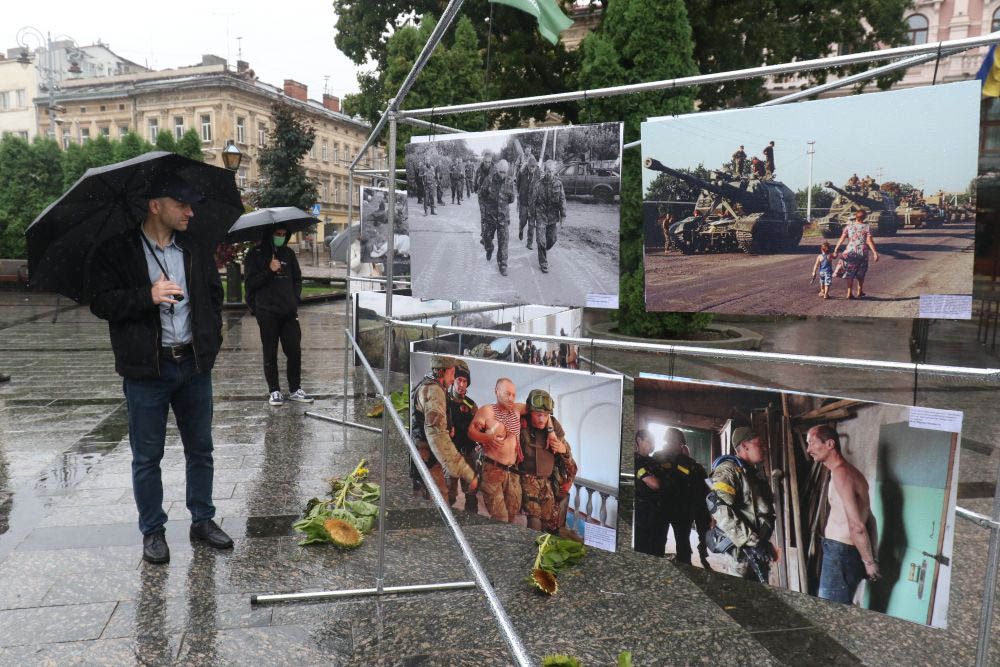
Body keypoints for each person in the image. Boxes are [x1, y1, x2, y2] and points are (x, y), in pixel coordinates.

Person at [89, 174, 232, 564]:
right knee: (147, 456)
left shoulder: (194, 247)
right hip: (146, 371)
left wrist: (210, 343)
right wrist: (146, 296)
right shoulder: (119, 251)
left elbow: (213, 298)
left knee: (200, 449)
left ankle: (202, 519)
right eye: (181, 205)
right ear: (156, 206)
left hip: (193, 366)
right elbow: (101, 302)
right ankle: (153, 530)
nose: (190, 212)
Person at [806, 425, 880, 604]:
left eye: (812, 443)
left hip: (840, 554)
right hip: (844, 553)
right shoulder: (852, 473)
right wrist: (870, 557)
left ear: (830, 444)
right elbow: (871, 519)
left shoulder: (841, 474)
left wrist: (869, 563)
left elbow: (858, 525)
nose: (808, 450)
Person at [244, 225, 312, 407]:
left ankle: (295, 388)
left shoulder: (288, 253)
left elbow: (297, 278)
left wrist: (294, 298)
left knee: (294, 350)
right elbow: (250, 283)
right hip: (267, 312)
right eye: (277, 234)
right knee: (270, 351)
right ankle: (274, 390)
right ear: (269, 234)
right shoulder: (254, 254)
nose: (281, 237)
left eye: (284, 234)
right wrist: (269, 270)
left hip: (288, 311)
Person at [707, 427, 776, 581]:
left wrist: (762, 543)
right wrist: (751, 541)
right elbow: (719, 508)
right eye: (760, 444)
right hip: (741, 553)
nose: (764, 448)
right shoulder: (728, 470)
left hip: (757, 547)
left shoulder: (750, 472)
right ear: (745, 446)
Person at [411, 356, 479, 500]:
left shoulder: (434, 388)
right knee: (442, 501)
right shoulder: (434, 392)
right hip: (428, 456)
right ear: (443, 372)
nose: (455, 379)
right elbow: (439, 437)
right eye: (453, 373)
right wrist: (466, 472)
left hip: (433, 455)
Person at [518, 389, 577, 534]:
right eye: (538, 414)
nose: (542, 419)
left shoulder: (556, 434)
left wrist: (563, 450)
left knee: (546, 521)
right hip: (527, 478)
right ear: (530, 411)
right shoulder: (520, 424)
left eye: (545, 416)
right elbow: (508, 406)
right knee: (534, 518)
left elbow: (572, 466)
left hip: (547, 482)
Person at [468, 378, 523, 522]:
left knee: (512, 515)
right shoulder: (488, 410)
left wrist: (550, 430)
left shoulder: (516, 409)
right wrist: (488, 437)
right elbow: (472, 432)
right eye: (507, 394)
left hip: (512, 471)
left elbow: (537, 409)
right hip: (493, 469)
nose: (511, 398)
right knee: (500, 517)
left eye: (513, 395)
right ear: (497, 392)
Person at [655, 428, 708, 566]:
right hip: (667, 509)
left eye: (677, 443)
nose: (676, 446)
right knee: (664, 541)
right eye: (673, 442)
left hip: (677, 510)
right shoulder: (687, 463)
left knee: (678, 543)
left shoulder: (660, 458)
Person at [446, 360, 480, 513]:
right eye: (459, 380)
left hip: (468, 453)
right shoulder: (443, 400)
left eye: (465, 381)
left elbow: (479, 427)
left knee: (471, 493)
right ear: (453, 380)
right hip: (450, 453)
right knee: (448, 493)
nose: (462, 384)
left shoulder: (471, 405)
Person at [633, 429, 667, 556]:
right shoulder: (635, 462)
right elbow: (655, 484)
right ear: (639, 440)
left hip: (659, 512)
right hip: (643, 514)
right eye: (648, 441)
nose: (652, 445)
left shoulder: (654, 462)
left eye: (653, 442)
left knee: (659, 548)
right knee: (644, 548)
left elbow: (666, 482)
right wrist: (662, 482)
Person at [832, 209, 879, 300]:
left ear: (855, 217)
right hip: (862, 252)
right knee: (861, 272)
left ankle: (849, 293)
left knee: (850, 272)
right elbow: (869, 241)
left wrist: (836, 249)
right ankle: (859, 291)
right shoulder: (867, 227)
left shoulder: (848, 226)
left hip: (850, 251)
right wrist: (874, 252)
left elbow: (841, 239)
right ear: (865, 217)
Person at [531, 159, 567, 274]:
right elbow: (533, 201)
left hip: (552, 217)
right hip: (540, 216)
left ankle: (543, 250)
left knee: (552, 239)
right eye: (547, 171)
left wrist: (563, 215)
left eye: (551, 171)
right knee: (541, 241)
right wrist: (531, 218)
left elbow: (562, 199)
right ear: (544, 171)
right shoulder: (538, 184)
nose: (549, 173)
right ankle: (543, 263)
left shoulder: (558, 184)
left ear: (554, 171)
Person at [482, 159, 516, 276]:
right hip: (490, 217)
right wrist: (485, 210)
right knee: (486, 238)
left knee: (503, 242)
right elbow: (482, 195)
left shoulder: (510, 181)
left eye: (505, 172)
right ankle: (489, 248)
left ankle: (503, 264)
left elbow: (512, 199)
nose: (502, 174)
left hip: (503, 217)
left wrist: (502, 204)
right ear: (497, 170)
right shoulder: (489, 180)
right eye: (501, 172)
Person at [517, 156, 541, 249]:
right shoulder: (522, 173)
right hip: (523, 201)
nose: (532, 168)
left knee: (531, 224)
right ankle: (521, 229)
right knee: (523, 220)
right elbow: (518, 184)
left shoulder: (538, 174)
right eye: (530, 166)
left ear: (536, 166)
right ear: (527, 166)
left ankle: (529, 243)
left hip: (533, 203)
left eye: (534, 167)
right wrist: (520, 194)